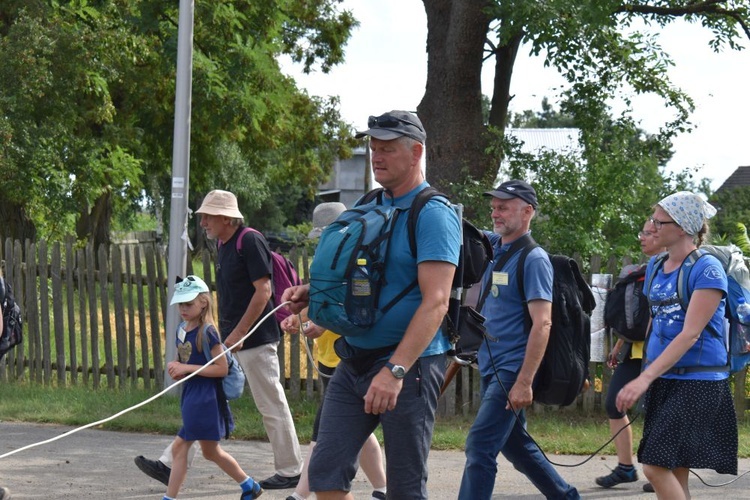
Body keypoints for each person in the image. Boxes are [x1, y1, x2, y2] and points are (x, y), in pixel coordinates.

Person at [282, 110, 461, 499]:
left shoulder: (433, 213)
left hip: (409, 366)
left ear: (415, 153)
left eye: (388, 149)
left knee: (404, 486)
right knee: (326, 471)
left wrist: (395, 370)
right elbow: (362, 277)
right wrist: (313, 291)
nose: (377, 156)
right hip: (355, 357)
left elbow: (436, 302)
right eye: (373, 147)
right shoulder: (370, 203)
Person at [136, 189, 303, 491]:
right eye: (202, 217)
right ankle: (169, 463)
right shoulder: (224, 245)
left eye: (208, 216)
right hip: (229, 339)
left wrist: (238, 335)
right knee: (204, 401)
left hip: (255, 338)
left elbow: (263, 291)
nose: (203, 223)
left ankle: (291, 469)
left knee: (270, 403)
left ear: (227, 218)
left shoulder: (249, 241)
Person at [457, 180, 580, 500]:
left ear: (527, 212)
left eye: (504, 207)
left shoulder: (534, 258)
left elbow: (543, 323)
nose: (496, 213)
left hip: (512, 370)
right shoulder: (496, 247)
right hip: (490, 365)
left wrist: (525, 381)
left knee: (479, 447)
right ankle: (567, 497)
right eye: (494, 206)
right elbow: (466, 232)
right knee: (517, 446)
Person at [616, 191, 737, 499]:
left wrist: (643, 378)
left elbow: (690, 334)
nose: (652, 226)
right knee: (674, 466)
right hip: (666, 378)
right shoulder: (657, 266)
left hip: (699, 381)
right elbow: (655, 320)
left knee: (654, 467)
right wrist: (638, 359)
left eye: (659, 221)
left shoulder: (706, 269)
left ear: (682, 227)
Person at [280, 202, 387, 500]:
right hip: (327, 358)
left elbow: (359, 311)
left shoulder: (360, 259)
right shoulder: (326, 260)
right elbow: (320, 302)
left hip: (349, 358)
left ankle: (300, 495)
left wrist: (324, 326)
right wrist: (297, 318)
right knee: (357, 432)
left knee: (324, 432)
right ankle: (382, 488)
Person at [164, 275, 263, 500]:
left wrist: (186, 368)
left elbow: (221, 369)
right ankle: (249, 485)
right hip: (191, 395)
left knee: (181, 448)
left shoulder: (208, 332)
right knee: (210, 452)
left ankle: (169, 498)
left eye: (188, 304)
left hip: (205, 398)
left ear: (203, 303)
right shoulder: (182, 328)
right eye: (181, 304)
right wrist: (177, 366)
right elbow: (186, 361)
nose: (183, 308)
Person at [595, 222, 665, 493]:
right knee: (614, 405)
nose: (642, 238)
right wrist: (619, 344)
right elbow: (638, 315)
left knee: (657, 412)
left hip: (661, 355)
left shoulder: (672, 269)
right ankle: (626, 467)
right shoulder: (645, 269)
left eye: (648, 234)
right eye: (642, 233)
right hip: (635, 353)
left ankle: (661, 472)